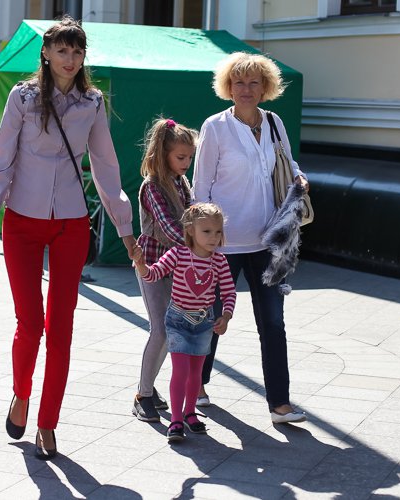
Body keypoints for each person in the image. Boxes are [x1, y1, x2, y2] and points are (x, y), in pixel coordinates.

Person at [0, 16, 137, 459]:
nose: (70, 59)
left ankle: (48, 422)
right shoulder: (22, 98)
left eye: (77, 52)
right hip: (21, 222)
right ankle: (21, 392)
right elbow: (1, 159)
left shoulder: (93, 102)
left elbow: (106, 166)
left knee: (61, 328)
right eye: (62, 50)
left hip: (70, 223)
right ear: (45, 53)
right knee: (30, 324)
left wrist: (125, 228)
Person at [192, 52, 309, 424]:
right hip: (223, 243)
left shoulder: (274, 122)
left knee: (273, 323)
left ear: (265, 87)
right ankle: (197, 385)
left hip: (268, 241)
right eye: (239, 82)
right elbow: (200, 185)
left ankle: (280, 404)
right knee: (212, 318)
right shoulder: (215, 126)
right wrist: (201, 239)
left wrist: (299, 178)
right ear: (228, 87)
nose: (246, 89)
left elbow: (288, 164)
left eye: (253, 82)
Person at [132, 203, 236, 443]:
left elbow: (229, 292)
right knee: (180, 371)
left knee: (196, 373)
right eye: (206, 231)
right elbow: (153, 274)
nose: (213, 237)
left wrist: (226, 316)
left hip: (204, 324)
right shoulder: (177, 254)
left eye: (218, 232)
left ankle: (190, 413)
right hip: (178, 321)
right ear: (190, 230)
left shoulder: (219, 261)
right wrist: (141, 264)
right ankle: (176, 420)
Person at [131, 118, 196, 422]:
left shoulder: (182, 182)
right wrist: (199, 242)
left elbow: (193, 214)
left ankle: (149, 385)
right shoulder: (152, 186)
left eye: (190, 158)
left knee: (171, 332)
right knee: (160, 329)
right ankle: (142, 395)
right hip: (152, 264)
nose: (186, 163)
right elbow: (169, 227)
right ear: (163, 153)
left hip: (178, 265)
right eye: (181, 157)